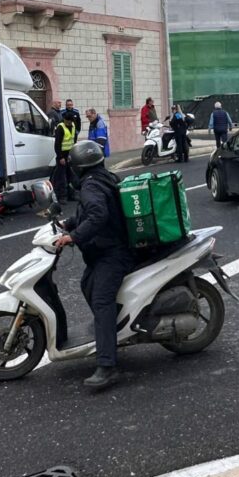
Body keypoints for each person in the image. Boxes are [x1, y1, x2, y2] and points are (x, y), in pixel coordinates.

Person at [53, 141, 135, 390]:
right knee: (87, 283)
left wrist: (73, 237)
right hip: (109, 249)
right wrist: (69, 223)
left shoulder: (91, 185)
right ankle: (109, 332)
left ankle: (107, 367)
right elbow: (90, 212)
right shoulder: (103, 178)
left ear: (78, 168)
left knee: (101, 300)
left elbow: (98, 214)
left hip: (113, 253)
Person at [51, 114, 78, 202]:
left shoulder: (73, 125)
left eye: (70, 122)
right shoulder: (60, 128)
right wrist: (60, 157)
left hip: (70, 155)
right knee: (61, 178)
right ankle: (62, 197)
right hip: (62, 156)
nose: (69, 123)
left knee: (70, 176)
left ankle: (71, 195)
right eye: (67, 122)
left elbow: (73, 140)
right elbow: (57, 144)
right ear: (65, 120)